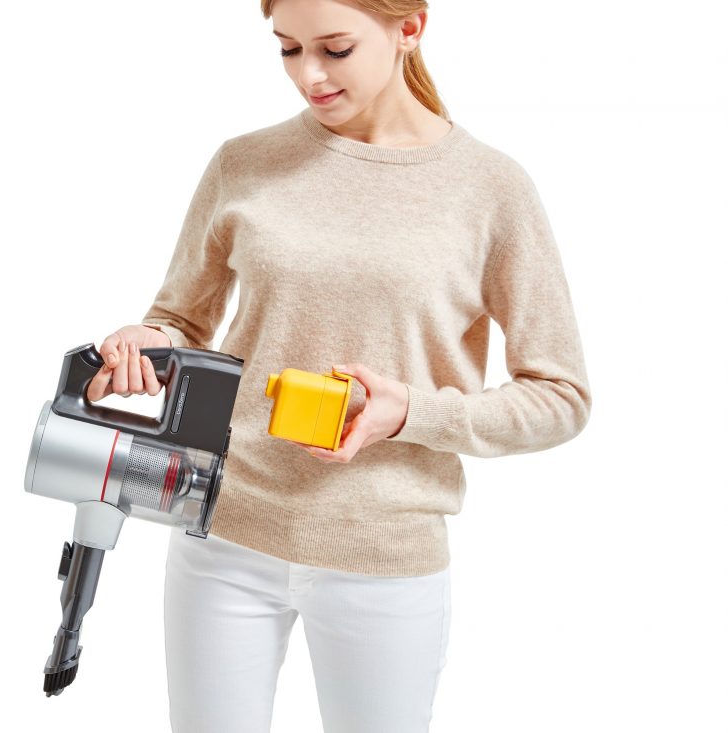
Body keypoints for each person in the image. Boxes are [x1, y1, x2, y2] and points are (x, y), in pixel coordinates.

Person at [86, 0, 592, 730]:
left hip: (382, 553)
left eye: (336, 48)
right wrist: (146, 342)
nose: (309, 74)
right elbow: (182, 322)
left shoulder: (491, 189)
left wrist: (414, 412)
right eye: (288, 49)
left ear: (409, 29)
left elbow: (561, 394)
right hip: (224, 532)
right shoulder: (243, 163)